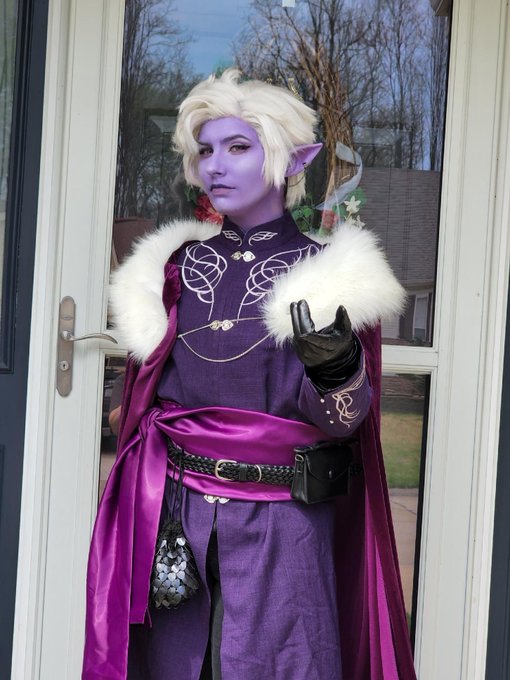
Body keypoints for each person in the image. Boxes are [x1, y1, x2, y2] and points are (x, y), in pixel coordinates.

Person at [82, 69, 416, 680]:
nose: (216, 165)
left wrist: (336, 368)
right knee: (174, 666)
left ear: (295, 160)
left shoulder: (327, 273)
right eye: (205, 150)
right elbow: (143, 399)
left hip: (285, 525)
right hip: (176, 519)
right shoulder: (173, 270)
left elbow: (345, 423)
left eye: (238, 147)